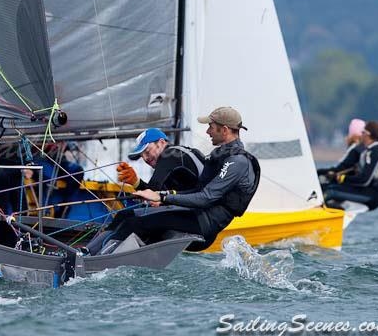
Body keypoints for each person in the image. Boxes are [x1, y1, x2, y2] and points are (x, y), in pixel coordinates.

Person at [102, 107, 260, 252]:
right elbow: (197, 190)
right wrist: (163, 197)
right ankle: (91, 253)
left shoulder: (237, 162)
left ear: (224, 130)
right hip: (195, 216)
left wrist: (162, 197)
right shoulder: (221, 155)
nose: (207, 131)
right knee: (129, 220)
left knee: (134, 223)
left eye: (211, 127)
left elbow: (206, 197)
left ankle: (95, 261)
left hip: (203, 224)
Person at [323, 120, 378, 210]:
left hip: (376, 194)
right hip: (372, 191)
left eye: (362, 132)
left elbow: (364, 180)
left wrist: (342, 178)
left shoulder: (375, 150)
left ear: (367, 134)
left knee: (330, 191)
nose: (361, 135)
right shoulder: (373, 150)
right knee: (328, 187)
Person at [117, 128, 205, 192]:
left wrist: (137, 183)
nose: (145, 158)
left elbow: (151, 194)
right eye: (141, 156)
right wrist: (136, 181)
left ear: (161, 142)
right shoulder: (179, 153)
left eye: (147, 152)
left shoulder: (170, 155)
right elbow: (156, 194)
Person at [317, 119, 366, 184]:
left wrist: (318, 172)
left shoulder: (355, 150)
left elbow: (340, 169)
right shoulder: (364, 148)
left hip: (349, 183)